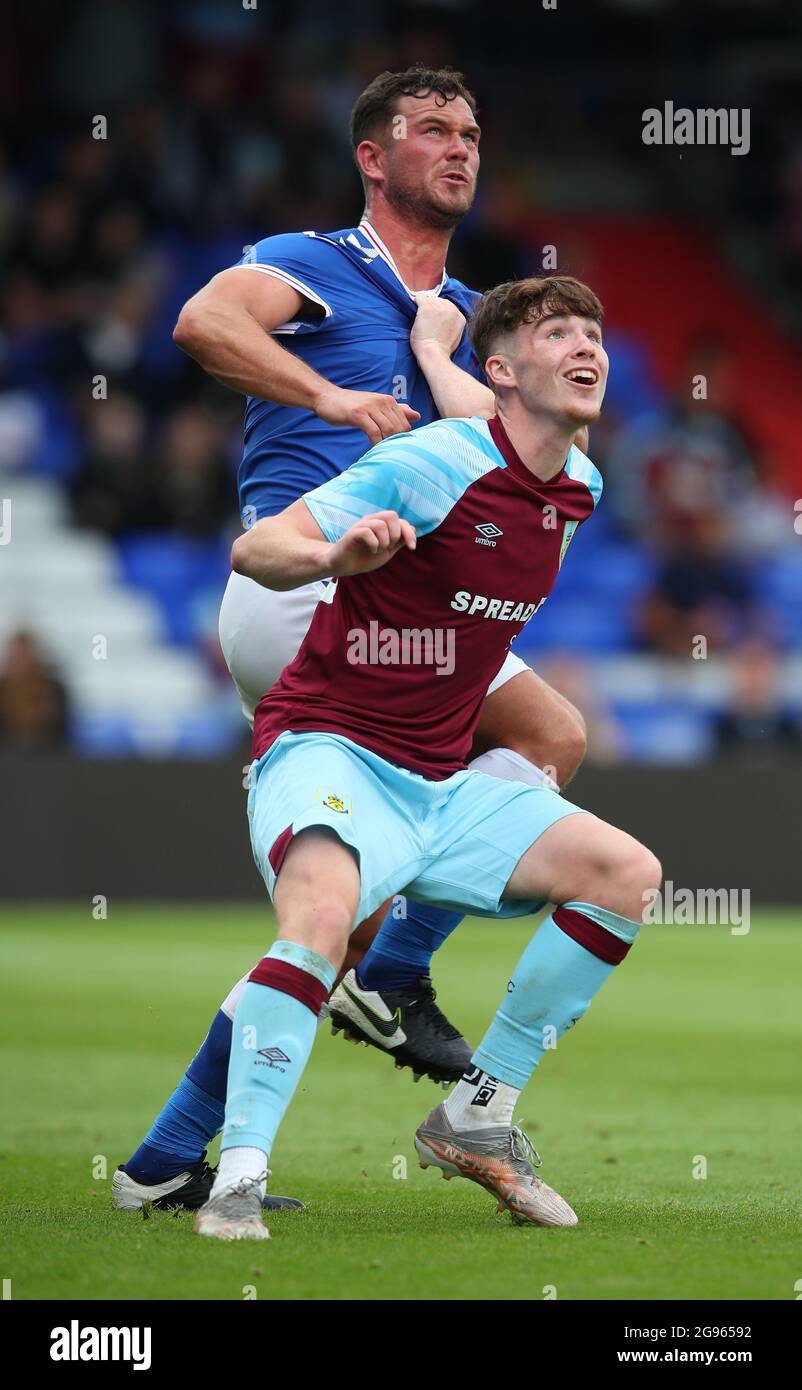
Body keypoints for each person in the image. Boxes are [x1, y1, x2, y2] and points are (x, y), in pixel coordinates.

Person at [113, 67, 588, 1214]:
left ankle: (179, 1146)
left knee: (545, 739)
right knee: (359, 884)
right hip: (306, 584)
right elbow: (202, 321)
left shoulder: (467, 316)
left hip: (410, 607)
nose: (459, 147)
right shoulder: (321, 263)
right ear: (372, 156)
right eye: (430, 129)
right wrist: (327, 401)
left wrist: (439, 356)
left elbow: (515, 460)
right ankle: (381, 981)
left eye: (472, 131)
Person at [194, 275, 662, 1241]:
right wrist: (337, 559)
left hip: (437, 785)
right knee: (321, 919)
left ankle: (479, 1115)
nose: (589, 347)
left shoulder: (580, 485)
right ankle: (237, 1178)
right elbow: (258, 550)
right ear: (504, 370)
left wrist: (445, 358)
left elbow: (505, 443)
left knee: (625, 874)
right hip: (328, 749)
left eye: (594, 333)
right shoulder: (424, 463)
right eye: (558, 332)